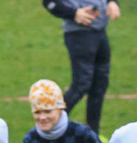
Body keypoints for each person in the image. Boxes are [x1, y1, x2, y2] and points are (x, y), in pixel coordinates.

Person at [40, 0, 120, 135]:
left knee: (99, 86)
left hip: (100, 33)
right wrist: (74, 13)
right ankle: (49, 129)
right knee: (81, 85)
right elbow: (48, 2)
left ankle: (93, 137)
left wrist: (112, 2)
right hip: (78, 34)